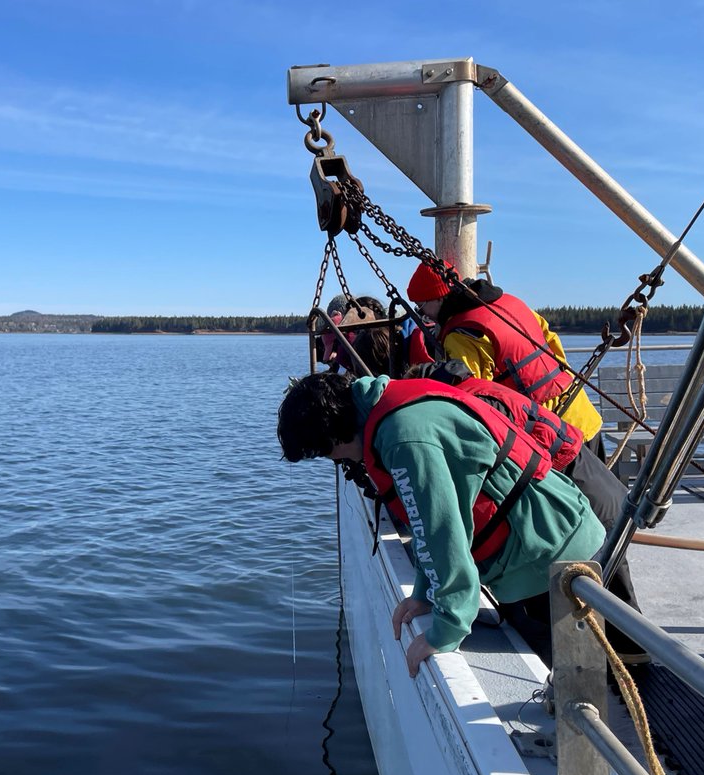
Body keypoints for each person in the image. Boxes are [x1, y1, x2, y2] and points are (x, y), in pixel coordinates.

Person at [277, 369, 606, 677]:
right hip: (549, 535)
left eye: (327, 454)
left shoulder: (403, 439)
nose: (338, 460)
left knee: (577, 684)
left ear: (333, 437)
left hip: (546, 555)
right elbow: (425, 524)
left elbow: (442, 529)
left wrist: (447, 627)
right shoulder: (391, 412)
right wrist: (425, 594)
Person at [408, 359, 649, 662]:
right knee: (610, 591)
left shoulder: (472, 408)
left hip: (582, 491)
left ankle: (624, 670)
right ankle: (629, 660)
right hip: (592, 478)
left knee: (601, 592)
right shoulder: (481, 391)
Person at [406, 262, 606, 457]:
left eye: (421, 305)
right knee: (607, 489)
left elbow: (475, 393)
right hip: (580, 412)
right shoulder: (512, 304)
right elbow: (553, 344)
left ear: (439, 298)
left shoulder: (461, 335)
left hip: (552, 437)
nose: (422, 313)